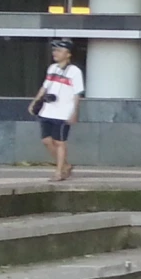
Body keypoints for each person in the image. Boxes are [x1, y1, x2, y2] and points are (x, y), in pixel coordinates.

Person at [26, 40, 85, 183]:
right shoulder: (52, 68)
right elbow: (45, 87)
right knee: (46, 140)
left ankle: (59, 172)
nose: (55, 53)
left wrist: (75, 112)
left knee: (60, 142)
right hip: (48, 110)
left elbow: (78, 93)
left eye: (59, 51)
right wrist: (35, 102)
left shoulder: (74, 71)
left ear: (68, 54)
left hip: (63, 111)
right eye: (54, 51)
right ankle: (65, 165)